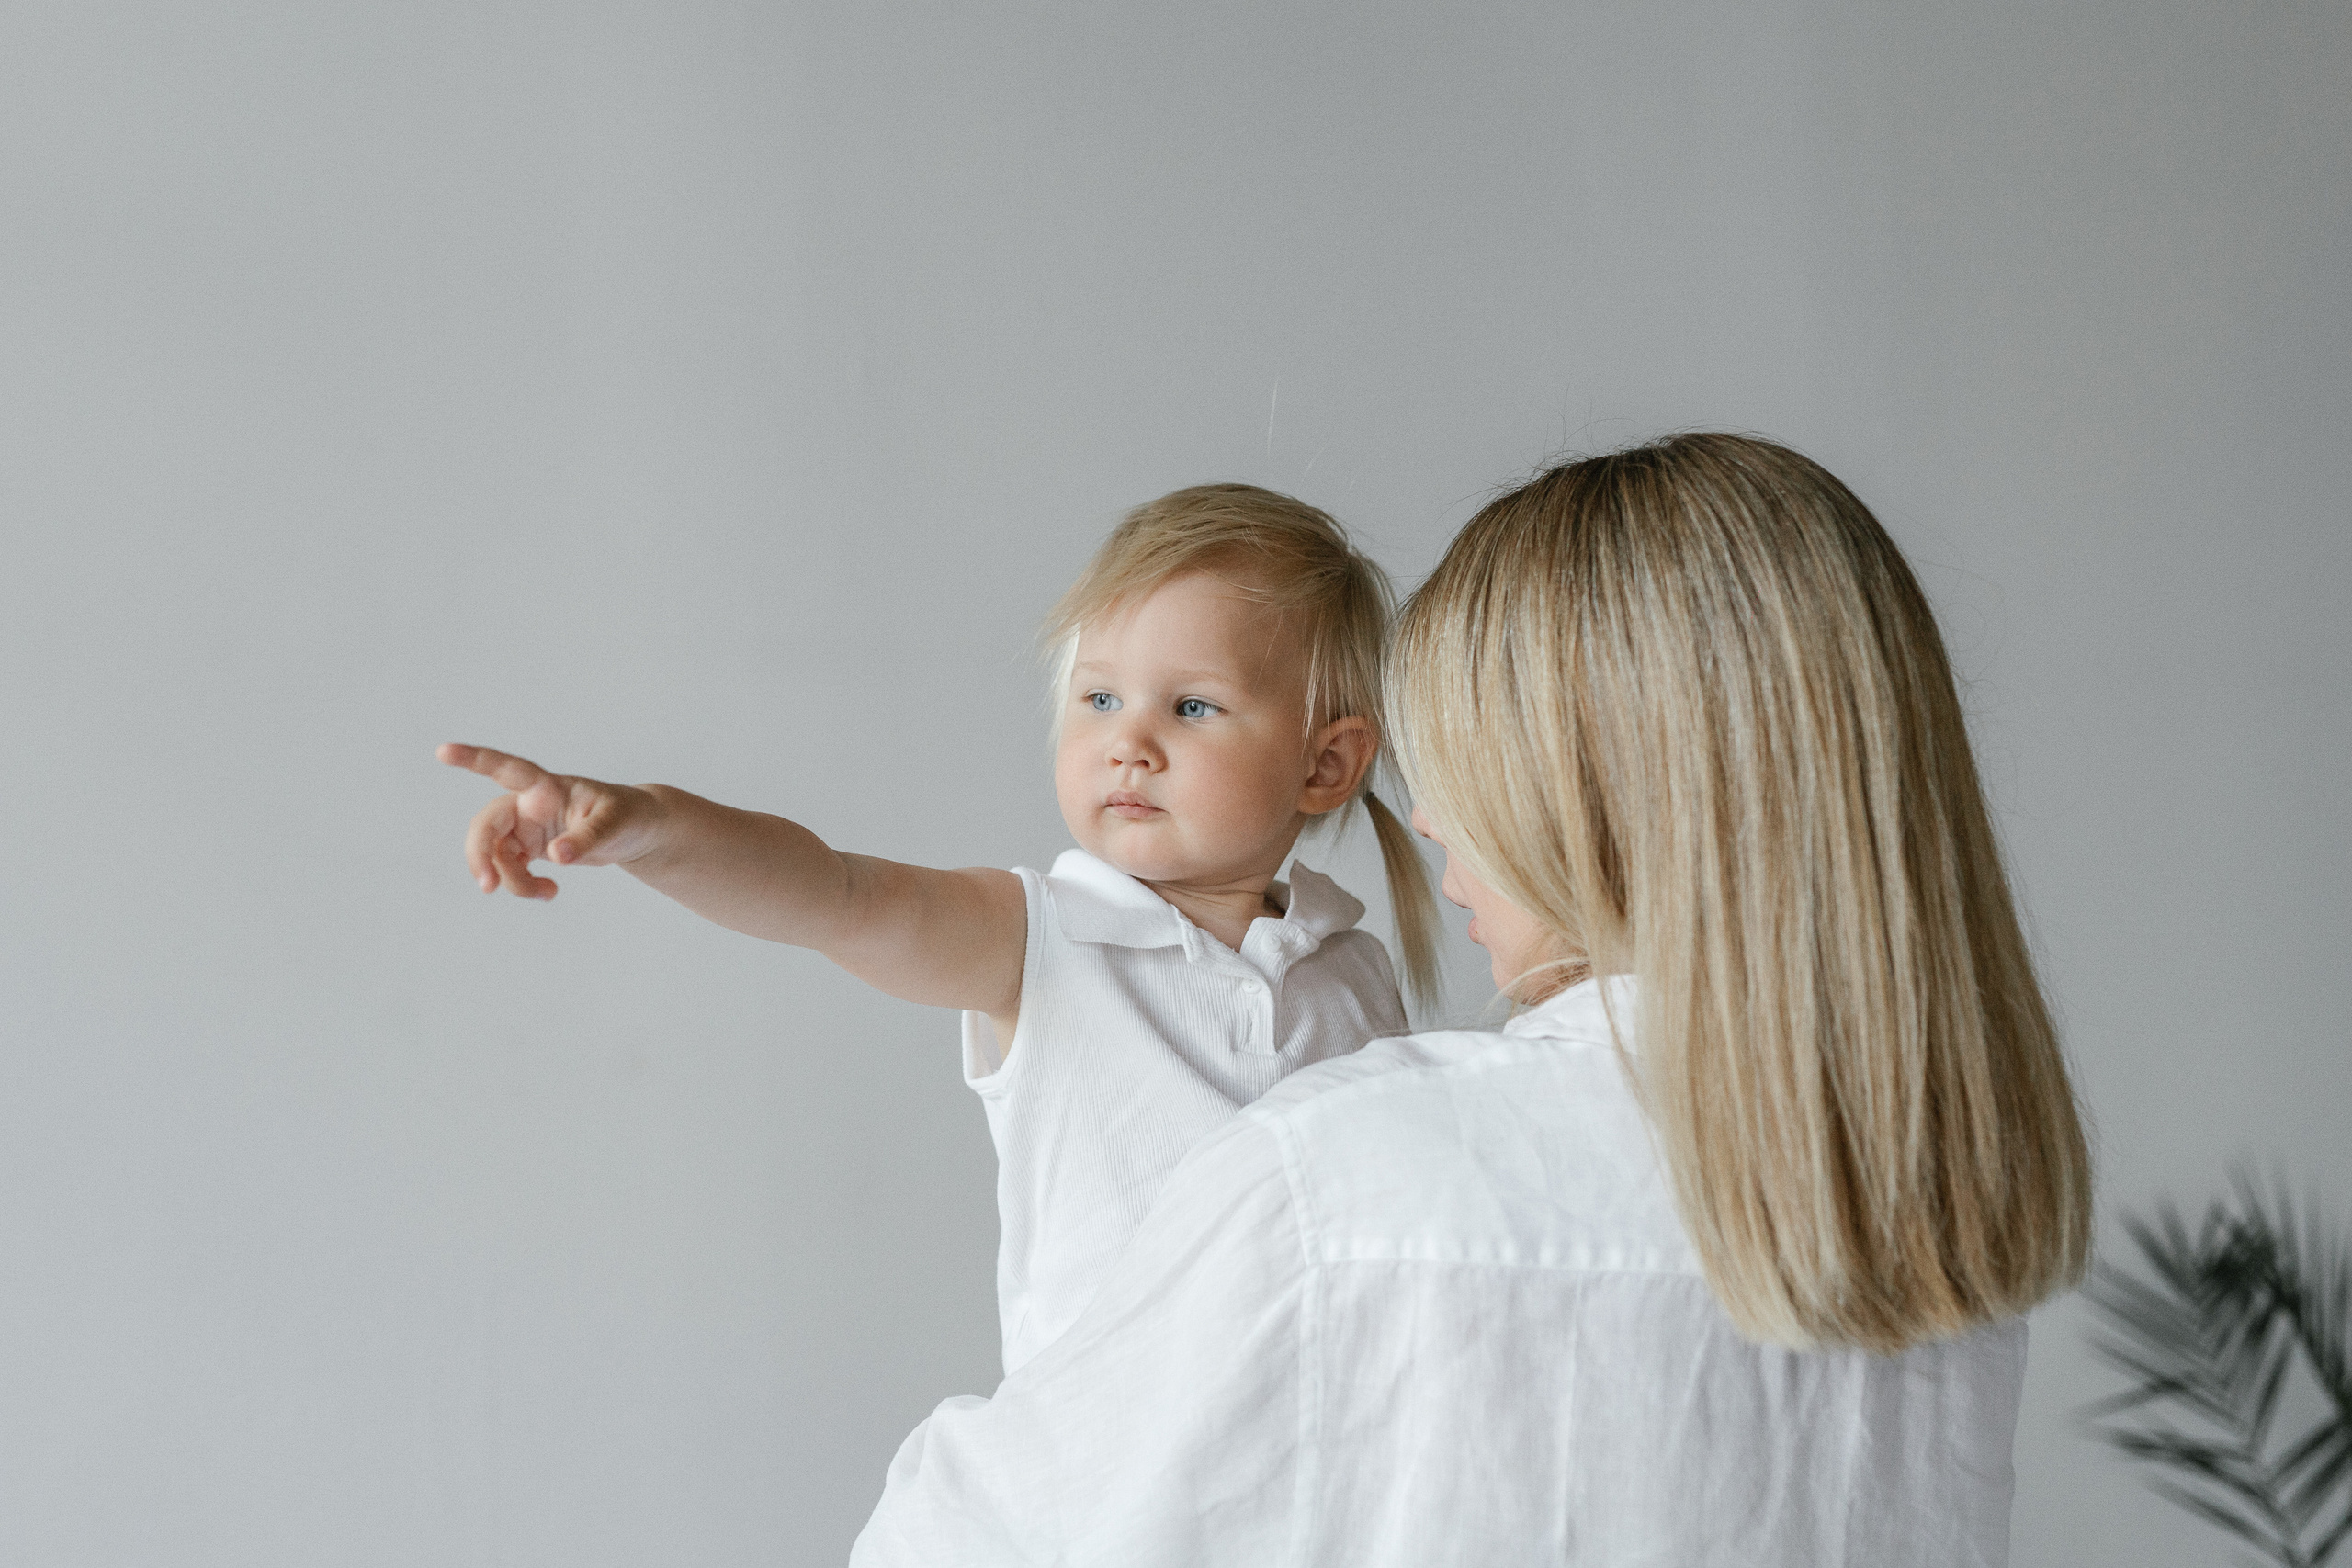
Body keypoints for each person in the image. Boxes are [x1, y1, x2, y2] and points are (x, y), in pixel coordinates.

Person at [851, 434, 2094, 1566]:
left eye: (1462, 764)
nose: (1431, 815)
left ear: (1593, 783)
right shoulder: (1921, 1211)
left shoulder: (1332, 1183)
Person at [437, 483, 1438, 1375]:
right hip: (1106, 1484)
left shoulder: (1352, 973)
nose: (1127, 743)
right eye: (1098, 698)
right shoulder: (1045, 937)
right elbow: (834, 893)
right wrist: (653, 826)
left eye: (1191, 706)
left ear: (1323, 766)